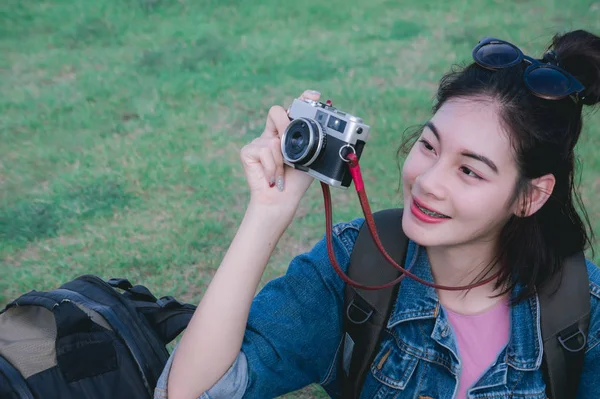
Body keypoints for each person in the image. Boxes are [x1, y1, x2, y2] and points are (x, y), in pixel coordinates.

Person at [155, 30, 600, 399]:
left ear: (531, 196)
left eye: (469, 170)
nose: (427, 182)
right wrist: (267, 213)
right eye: (429, 146)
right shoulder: (355, 267)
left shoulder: (583, 307)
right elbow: (189, 392)